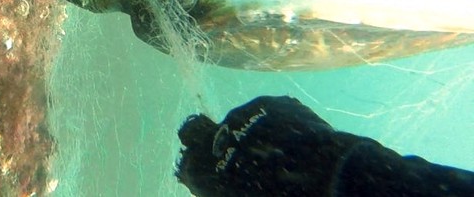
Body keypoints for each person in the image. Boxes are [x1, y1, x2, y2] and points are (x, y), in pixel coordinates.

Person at [176, 95, 474, 197]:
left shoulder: (199, 172)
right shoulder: (262, 104)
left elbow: (199, 182)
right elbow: (311, 119)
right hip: (363, 164)